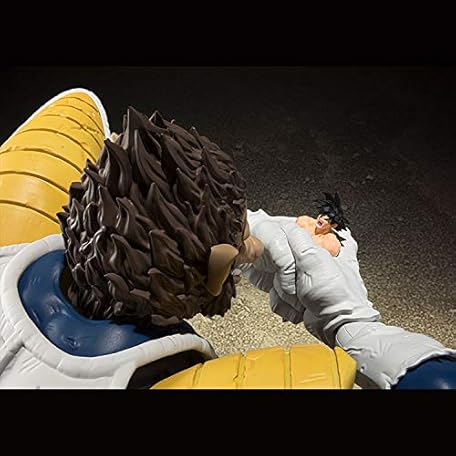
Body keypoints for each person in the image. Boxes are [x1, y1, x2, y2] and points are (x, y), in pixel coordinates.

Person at [0, 88, 355, 389]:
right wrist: (348, 320)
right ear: (216, 267)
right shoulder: (161, 377)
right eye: (243, 245)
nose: (255, 248)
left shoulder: (14, 253)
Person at [241, 196, 456, 389]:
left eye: (328, 220)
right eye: (322, 216)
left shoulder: (331, 243)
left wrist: (347, 319)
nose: (321, 221)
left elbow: (438, 381)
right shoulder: (304, 224)